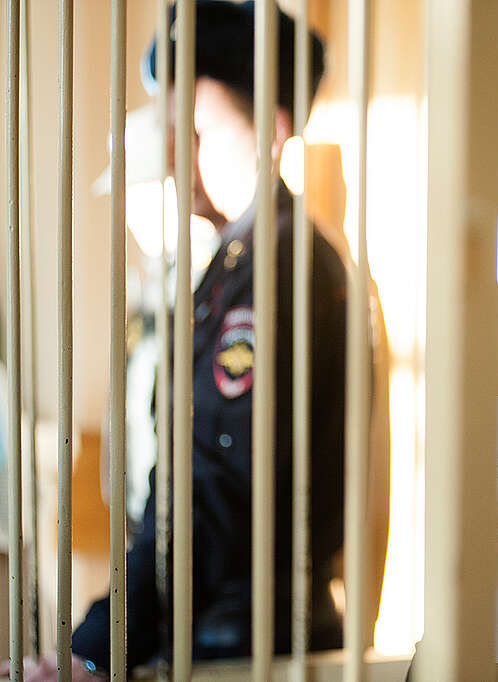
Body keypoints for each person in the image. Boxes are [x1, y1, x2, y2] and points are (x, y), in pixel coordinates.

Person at [2, 3, 388, 679]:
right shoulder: (238, 261)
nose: (174, 155)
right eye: (170, 130)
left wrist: (99, 646)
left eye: (198, 132)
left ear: (270, 132)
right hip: (217, 626)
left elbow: (216, 489)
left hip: (248, 640)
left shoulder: (279, 268)